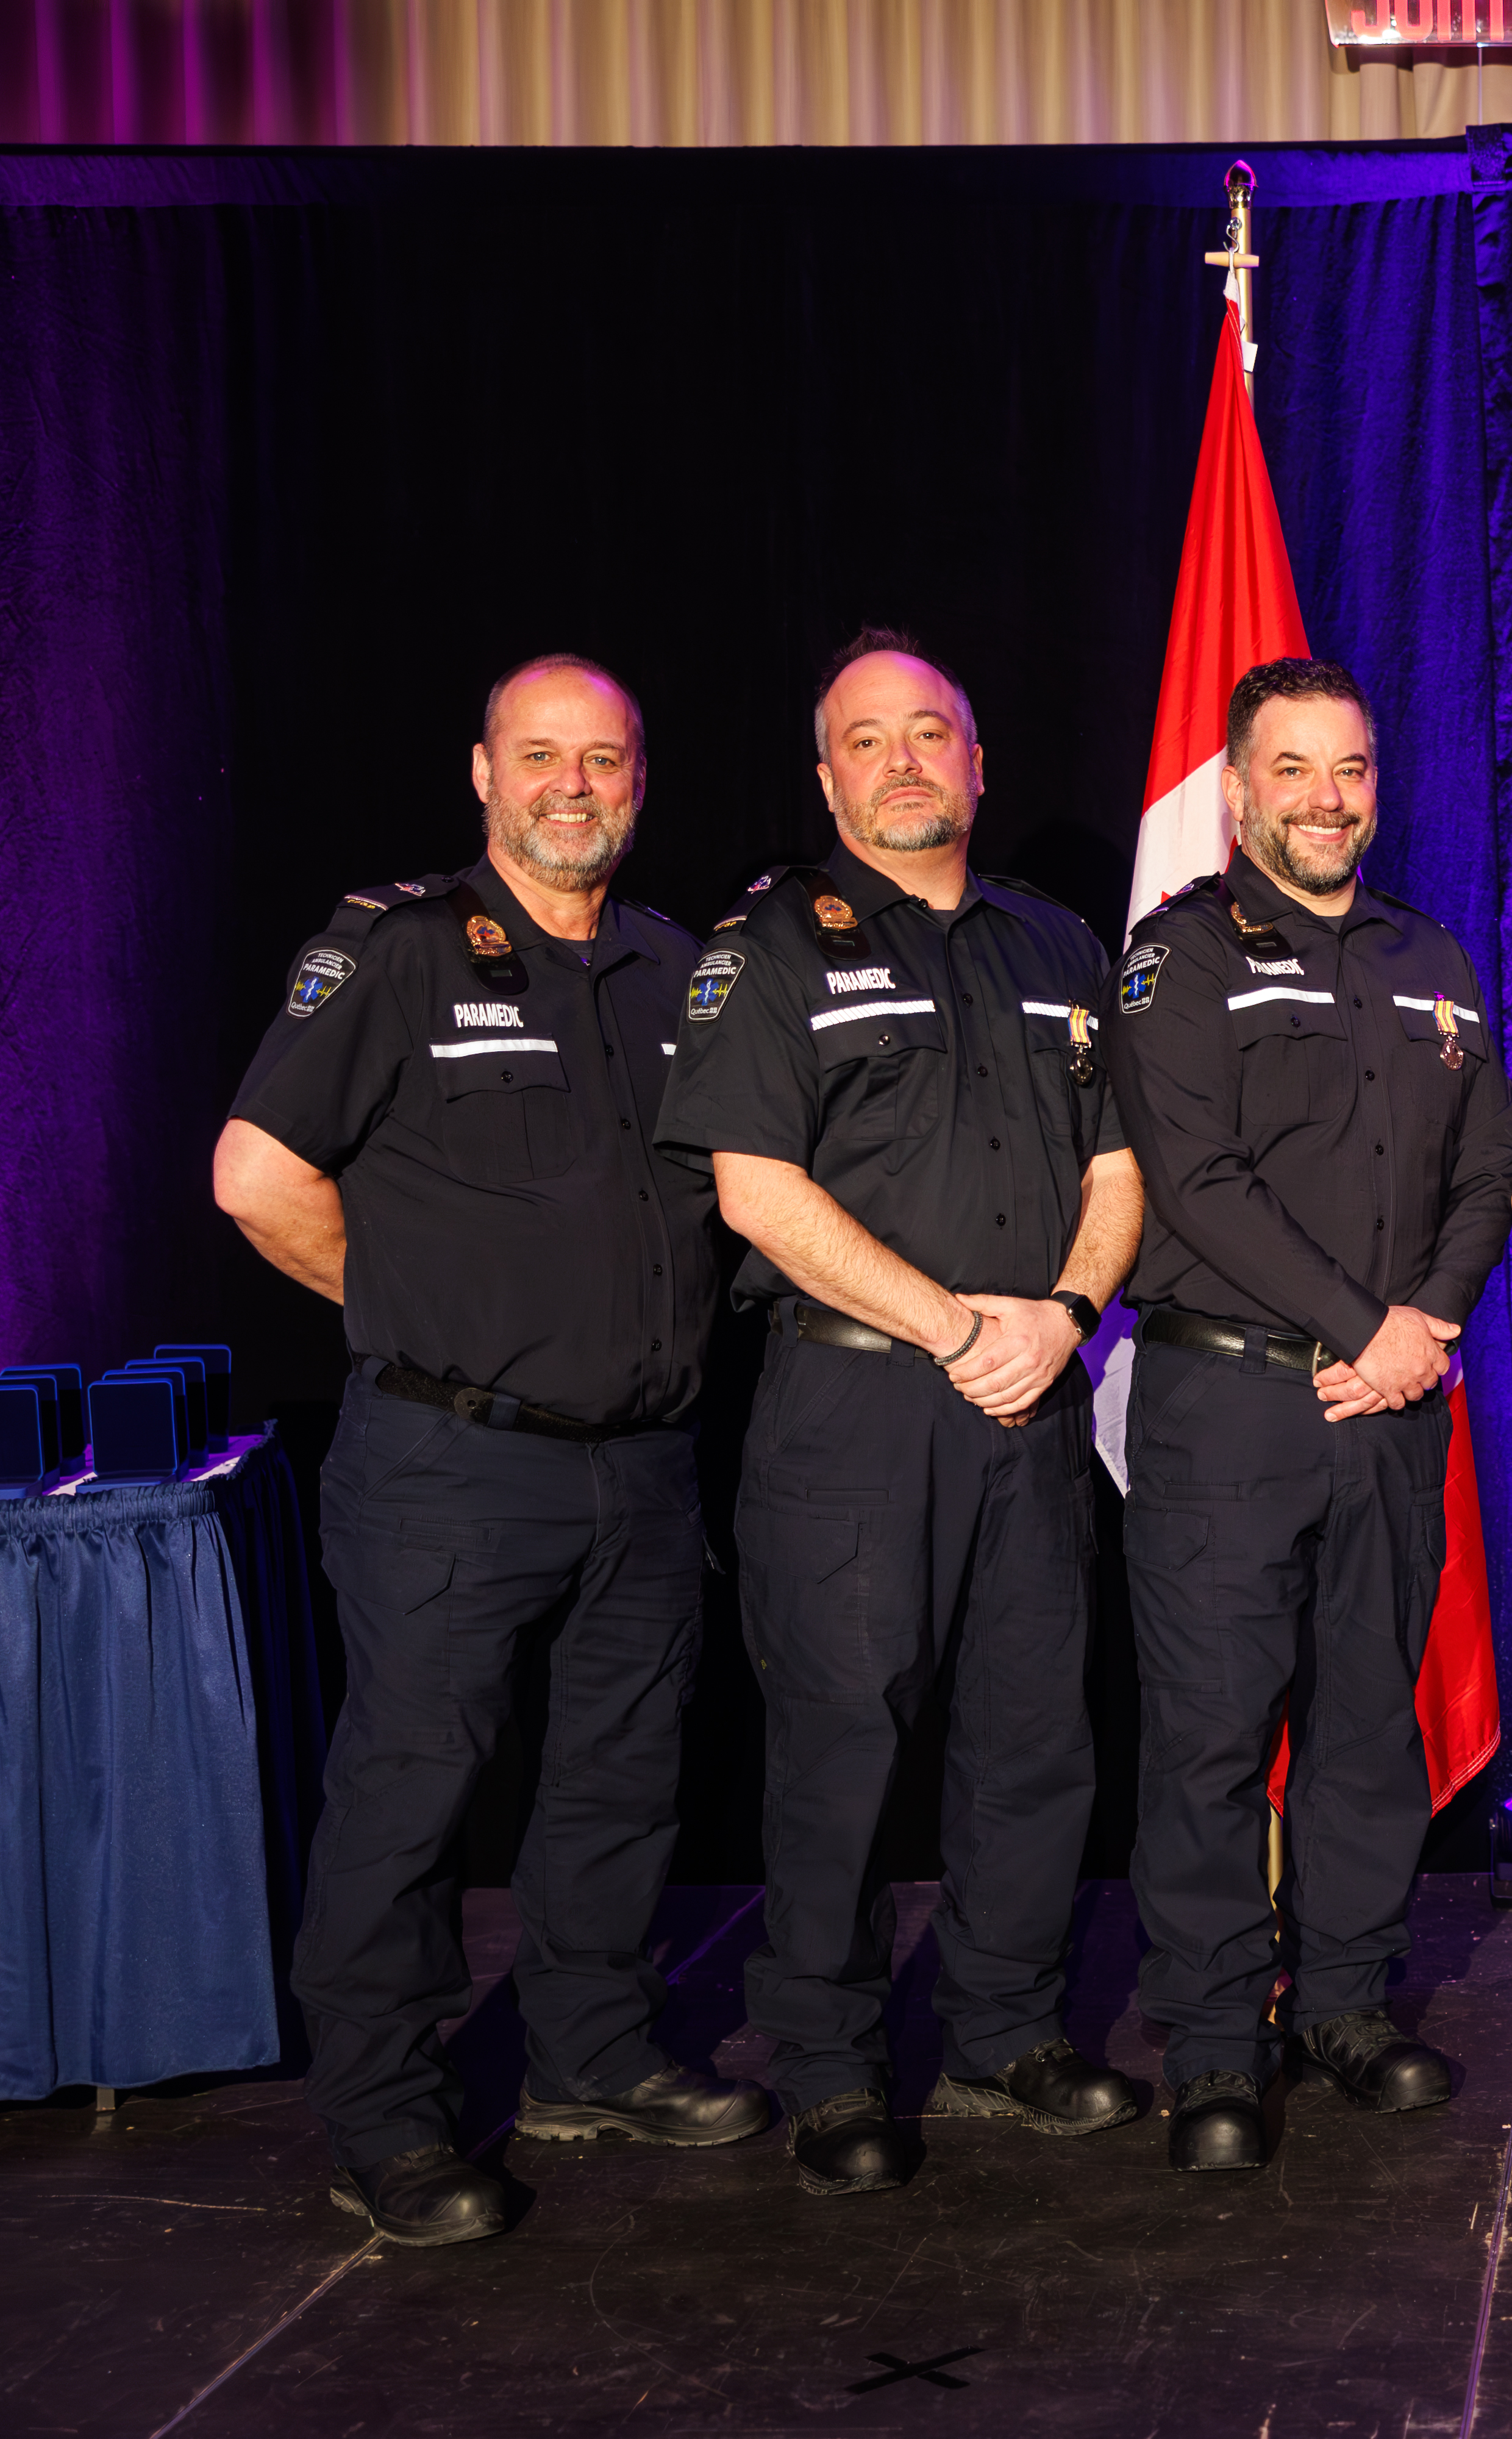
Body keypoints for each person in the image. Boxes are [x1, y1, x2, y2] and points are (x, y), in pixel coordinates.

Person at [216, 654, 768, 2246]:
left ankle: (590, 2056)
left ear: (639, 781)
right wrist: (419, 1313)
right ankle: (384, 2118)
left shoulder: (678, 971)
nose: (574, 787)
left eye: (604, 760)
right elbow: (254, 1176)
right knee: (412, 1790)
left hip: (646, 1465)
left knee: (618, 1778)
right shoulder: (392, 948)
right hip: (450, 1462)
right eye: (543, 759)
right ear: (484, 774)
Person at [652, 631, 1144, 2198]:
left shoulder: (1063, 943)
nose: (904, 760)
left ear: (978, 760)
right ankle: (834, 2063)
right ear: (828, 776)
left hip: (1032, 1398)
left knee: (1032, 1735)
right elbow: (752, 1184)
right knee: (840, 1748)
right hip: (855, 1410)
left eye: (931, 732)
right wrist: (951, 1324)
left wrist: (1061, 1317)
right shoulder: (772, 946)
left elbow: (1120, 1166)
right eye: (869, 740)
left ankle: (1006, 2028)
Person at [1108, 657, 1512, 2171]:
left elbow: (1493, 1168)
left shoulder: (1434, 953)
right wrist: (1368, 1326)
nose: (1326, 796)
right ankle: (1217, 2044)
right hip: (1230, 1401)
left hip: (1397, 1407)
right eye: (1293, 768)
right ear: (1238, 786)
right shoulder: (1182, 955)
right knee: (1214, 1735)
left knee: (1364, 1725)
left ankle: (1346, 2001)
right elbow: (1200, 1178)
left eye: (1349, 767)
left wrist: (1427, 1331)